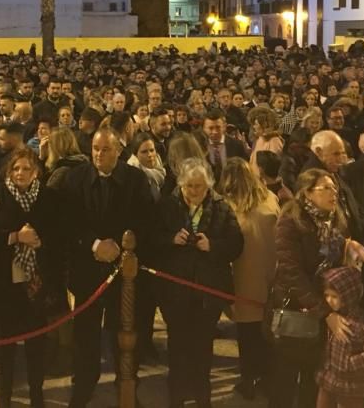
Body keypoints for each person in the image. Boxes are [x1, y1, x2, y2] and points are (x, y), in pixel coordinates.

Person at [60, 127, 155, 407]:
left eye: (105, 150)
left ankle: (126, 384)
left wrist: (123, 246)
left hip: (124, 272)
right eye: (95, 150)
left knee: (124, 330)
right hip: (87, 269)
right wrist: (94, 244)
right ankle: (84, 384)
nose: (99, 155)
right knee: (85, 333)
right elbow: (69, 221)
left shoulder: (135, 179)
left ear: (118, 151)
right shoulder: (76, 179)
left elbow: (146, 219)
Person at [155, 156, 243, 407]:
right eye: (190, 186)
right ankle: (177, 398)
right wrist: (170, 240)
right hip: (175, 292)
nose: (195, 192)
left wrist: (212, 245)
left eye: (200, 187)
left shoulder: (221, 206)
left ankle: (203, 398)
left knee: (203, 348)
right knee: (178, 348)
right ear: (181, 184)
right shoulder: (167, 206)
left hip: (207, 292)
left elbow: (236, 243)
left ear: (209, 185)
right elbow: (152, 240)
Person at [270, 169, 350, 408]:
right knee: (284, 381)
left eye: (334, 187)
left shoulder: (335, 221)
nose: (333, 192)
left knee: (312, 382)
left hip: (323, 311)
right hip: (295, 310)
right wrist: (324, 312)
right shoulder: (291, 222)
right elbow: (291, 273)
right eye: (325, 188)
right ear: (307, 193)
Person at [0, 148, 63, 408]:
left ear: (36, 171)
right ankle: (5, 393)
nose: (20, 173)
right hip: (7, 279)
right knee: (7, 340)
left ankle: (37, 390)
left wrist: (40, 241)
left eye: (26, 168)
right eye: (16, 169)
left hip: (38, 277)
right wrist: (15, 237)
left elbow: (59, 234)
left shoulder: (49, 197)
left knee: (37, 339)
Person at [217, 156, 279, 400]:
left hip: (243, 278)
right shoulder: (270, 199)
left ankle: (249, 379)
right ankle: (268, 376)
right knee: (268, 332)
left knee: (247, 334)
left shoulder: (229, 207)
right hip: (271, 273)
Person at [315, 266, 364, 408]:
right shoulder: (333, 317)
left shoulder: (362, 323)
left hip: (351, 385)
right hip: (330, 379)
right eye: (327, 295)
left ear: (348, 295)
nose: (329, 300)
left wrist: (348, 364)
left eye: (334, 297)